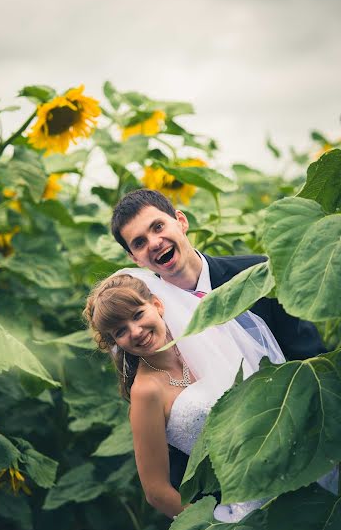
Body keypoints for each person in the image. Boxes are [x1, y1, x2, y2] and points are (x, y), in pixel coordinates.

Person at [110, 189, 327, 489]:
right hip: (229, 481)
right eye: (140, 242)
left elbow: (310, 356)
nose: (154, 243)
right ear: (134, 258)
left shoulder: (258, 273)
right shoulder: (146, 322)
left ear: (181, 221)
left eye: (158, 227)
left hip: (306, 439)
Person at [84, 270, 290, 530]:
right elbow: (155, 492)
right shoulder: (146, 393)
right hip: (246, 508)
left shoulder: (205, 337)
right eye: (120, 331)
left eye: (138, 315)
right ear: (114, 342)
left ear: (157, 304)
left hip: (290, 471)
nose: (136, 331)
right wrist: (220, 527)